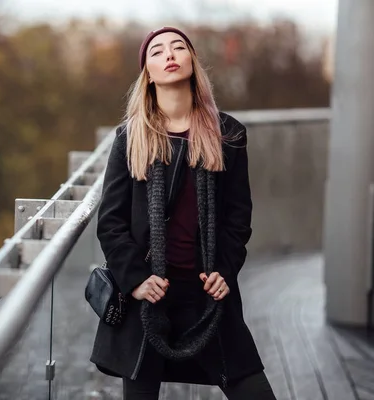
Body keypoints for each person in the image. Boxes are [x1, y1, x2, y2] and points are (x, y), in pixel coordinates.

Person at [89, 27, 277, 400]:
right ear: (148, 72)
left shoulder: (227, 134)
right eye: (157, 51)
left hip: (207, 296)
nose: (169, 54)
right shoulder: (131, 138)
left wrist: (224, 270)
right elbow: (111, 223)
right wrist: (136, 280)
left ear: (192, 61)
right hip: (149, 298)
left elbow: (238, 219)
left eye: (178, 47)